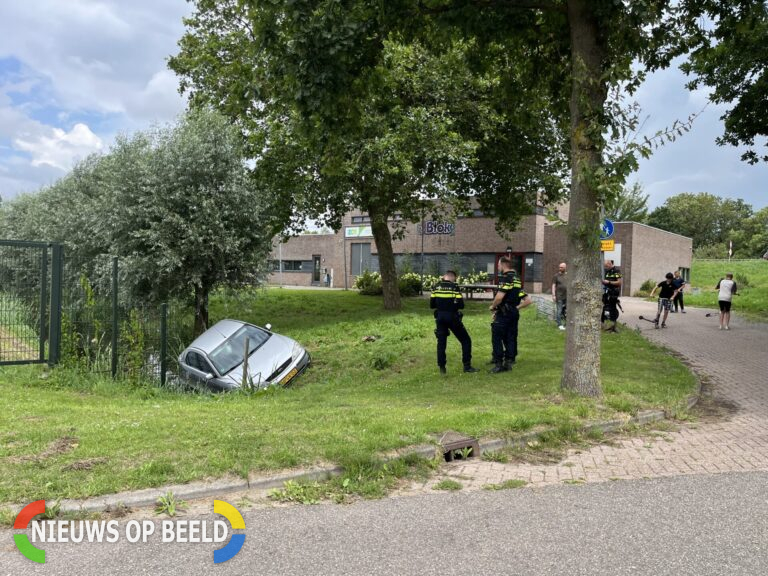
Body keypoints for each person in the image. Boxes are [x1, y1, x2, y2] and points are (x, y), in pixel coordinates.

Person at [488, 257, 532, 373]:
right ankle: (509, 362)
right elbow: (528, 300)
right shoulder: (517, 279)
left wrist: (493, 307)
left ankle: (498, 364)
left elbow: (499, 297)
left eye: (498, 265)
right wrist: (516, 307)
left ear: (503, 264)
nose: (497, 267)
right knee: (511, 337)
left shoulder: (506, 278)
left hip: (504, 313)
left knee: (497, 337)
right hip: (513, 313)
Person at [430, 270, 478, 374]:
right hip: (452, 317)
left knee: (441, 343)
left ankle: (442, 368)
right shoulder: (455, 287)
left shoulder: (435, 287)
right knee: (466, 340)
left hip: (440, 317)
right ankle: (467, 366)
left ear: (444, 276)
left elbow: (432, 305)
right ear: (453, 278)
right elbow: (461, 305)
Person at [601, 259, 622, 332]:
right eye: (605, 266)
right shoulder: (607, 271)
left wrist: (609, 282)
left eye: (607, 266)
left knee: (612, 308)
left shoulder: (616, 270)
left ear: (610, 264)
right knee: (603, 307)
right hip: (607, 291)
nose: (606, 268)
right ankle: (603, 324)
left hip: (614, 292)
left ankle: (613, 326)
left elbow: (619, 283)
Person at [551, 262, 567, 330]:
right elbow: (553, 285)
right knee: (559, 310)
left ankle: (566, 324)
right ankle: (559, 324)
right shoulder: (556, 276)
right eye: (559, 267)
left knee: (567, 311)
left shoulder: (568, 275)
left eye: (561, 267)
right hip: (559, 295)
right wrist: (553, 295)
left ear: (565, 267)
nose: (560, 268)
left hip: (567, 296)